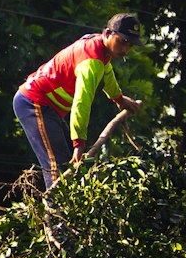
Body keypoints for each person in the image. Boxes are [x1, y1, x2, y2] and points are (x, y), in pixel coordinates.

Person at [13, 13, 143, 189]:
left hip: (49, 109)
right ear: (107, 34)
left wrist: (119, 99)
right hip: (34, 102)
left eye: (130, 45)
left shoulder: (100, 49)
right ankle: (55, 214)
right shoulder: (91, 62)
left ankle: (62, 210)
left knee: (67, 164)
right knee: (57, 167)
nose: (125, 50)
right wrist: (79, 144)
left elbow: (107, 74)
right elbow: (82, 102)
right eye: (122, 42)